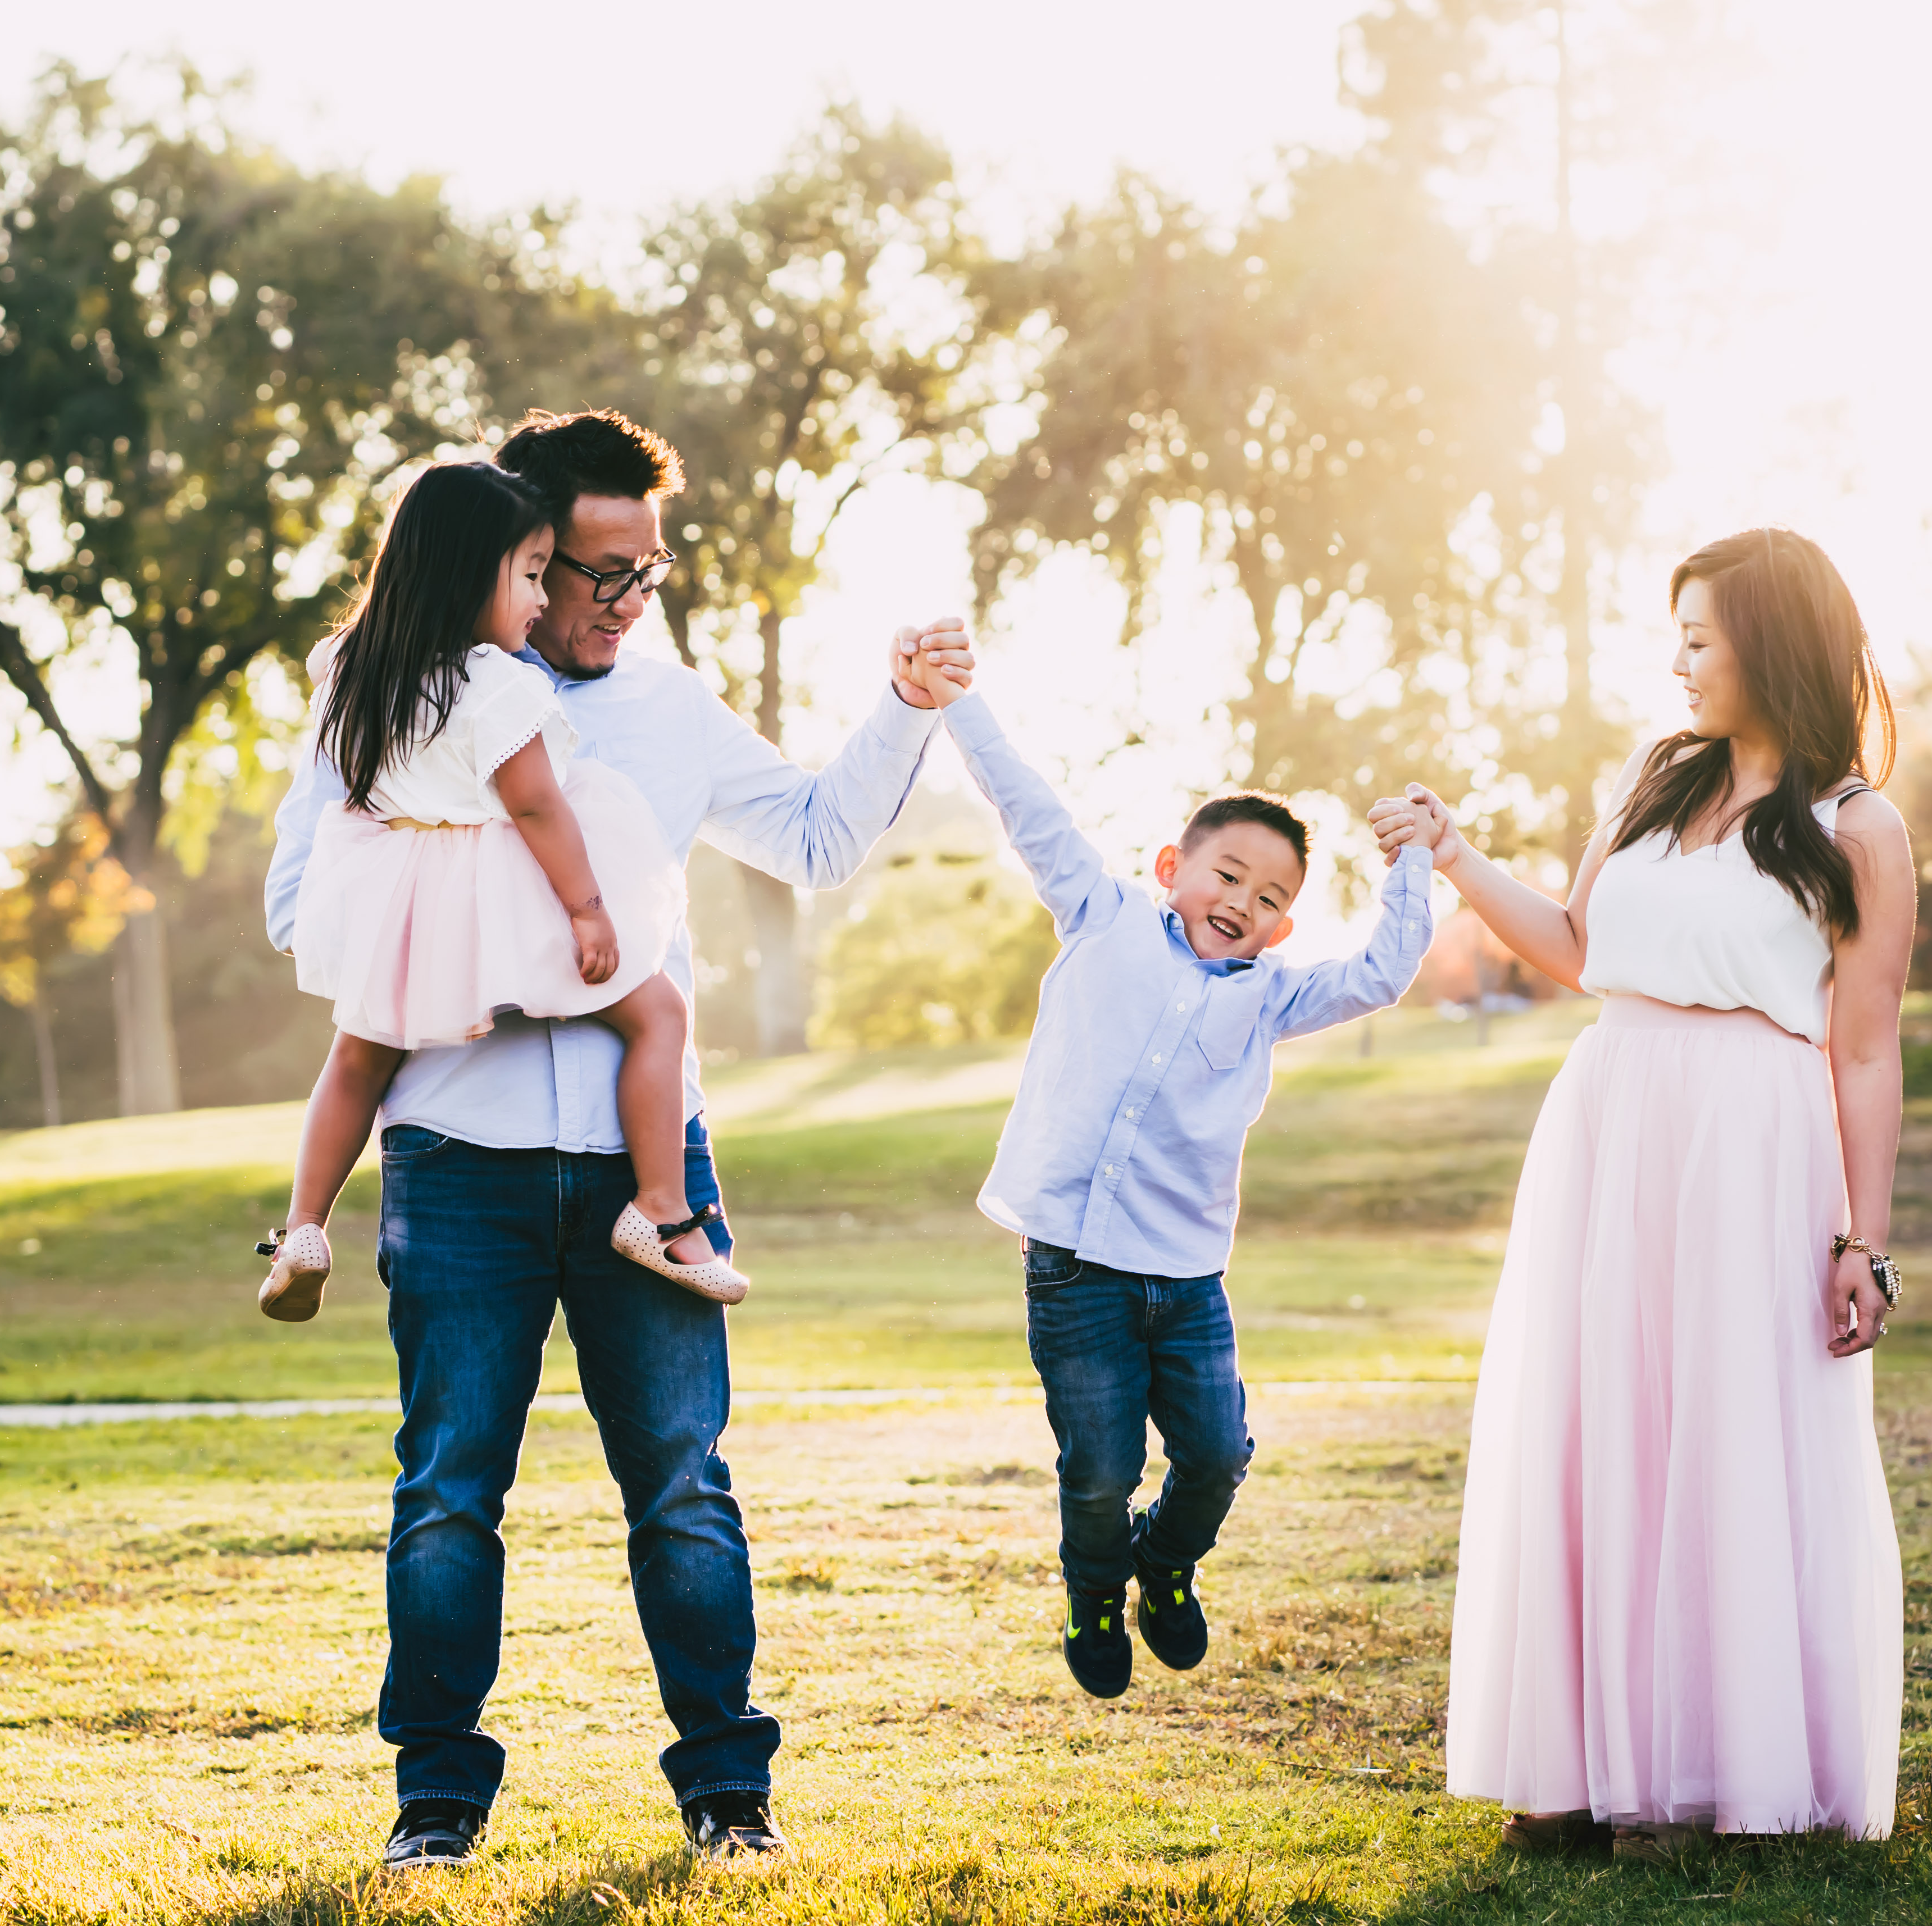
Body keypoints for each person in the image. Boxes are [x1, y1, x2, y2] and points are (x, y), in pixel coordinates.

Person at [263, 408, 974, 1870]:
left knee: (684, 1484)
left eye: (649, 570)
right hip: (456, 1153)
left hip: (649, 1164)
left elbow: (820, 841)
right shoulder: (381, 684)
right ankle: (435, 1806)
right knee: (448, 1490)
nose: (628, 599)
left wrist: (905, 705)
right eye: (598, 571)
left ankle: (730, 1794)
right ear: (520, 551)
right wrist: (504, 943)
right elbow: (300, 909)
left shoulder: (668, 708)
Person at [1371, 527, 1913, 1852]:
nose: (1680, 663)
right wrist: (1456, 854)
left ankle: (1739, 1781)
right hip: (1610, 1120)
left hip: (1755, 1142)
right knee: (1594, 1418)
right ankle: (1574, 1779)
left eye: (1700, 637)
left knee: (1732, 1431)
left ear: (1771, 643)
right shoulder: (1655, 779)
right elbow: (1576, 947)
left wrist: (1864, 1239)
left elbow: (1865, 1046)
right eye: (1677, 637)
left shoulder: (1858, 827)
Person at [898, 639, 1434, 1699]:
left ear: (1285, 923)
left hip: (1187, 1278)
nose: (1243, 902)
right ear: (1170, 868)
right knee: (1099, 1467)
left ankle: (1167, 1561)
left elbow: (1383, 971)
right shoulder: (1100, 914)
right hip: (1074, 1265)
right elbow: (1025, 801)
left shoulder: (1273, 996)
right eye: (1227, 874)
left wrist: (1415, 856)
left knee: (1219, 1451)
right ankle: (1095, 1589)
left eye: (1270, 897)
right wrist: (956, 700)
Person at [260, 459, 745, 1321]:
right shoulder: (494, 684)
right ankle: (662, 1208)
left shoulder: (353, 670)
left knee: (358, 1057)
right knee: (659, 1013)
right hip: (510, 908)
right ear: (467, 574)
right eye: (529, 575)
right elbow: (535, 806)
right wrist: (589, 911)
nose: (538, 598)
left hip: (411, 913)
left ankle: (303, 1226)